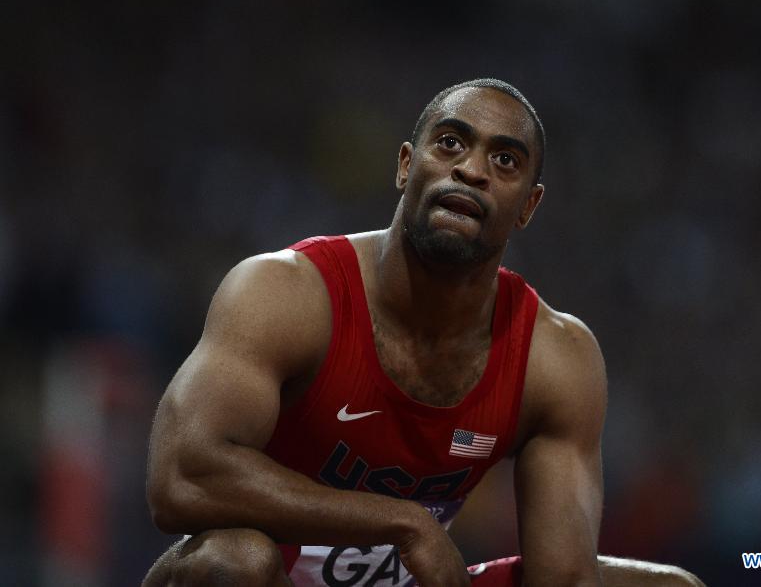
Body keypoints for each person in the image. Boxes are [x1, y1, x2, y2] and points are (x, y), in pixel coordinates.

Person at [143, 78, 703, 586]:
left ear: (529, 206)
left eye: (505, 160)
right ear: (406, 166)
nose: (472, 169)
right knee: (233, 563)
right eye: (451, 143)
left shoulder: (556, 356)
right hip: (272, 576)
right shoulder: (286, 293)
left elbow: (562, 579)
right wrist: (406, 523)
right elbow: (181, 480)